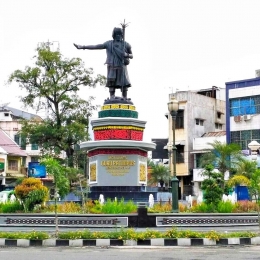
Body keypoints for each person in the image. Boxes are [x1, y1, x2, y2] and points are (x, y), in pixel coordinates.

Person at [74, 27, 133, 100]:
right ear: (114, 35)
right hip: (112, 66)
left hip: (122, 66)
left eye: (120, 34)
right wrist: (83, 47)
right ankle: (112, 97)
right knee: (111, 82)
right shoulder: (109, 43)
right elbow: (96, 46)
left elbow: (131, 55)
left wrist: (126, 55)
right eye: (116, 34)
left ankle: (124, 97)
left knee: (124, 83)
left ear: (121, 35)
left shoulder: (126, 44)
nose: (118, 36)